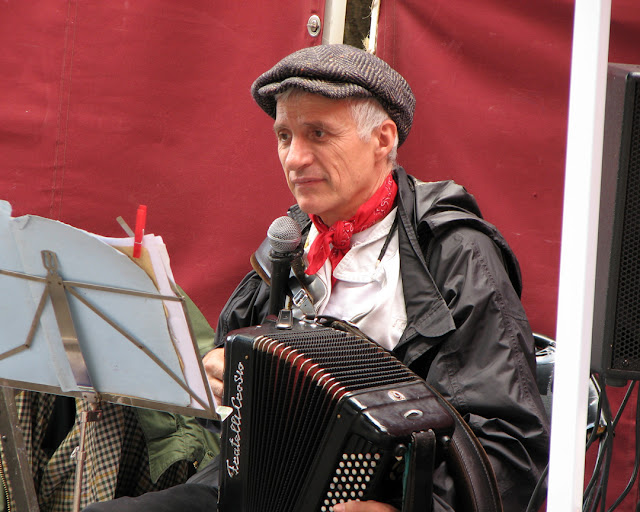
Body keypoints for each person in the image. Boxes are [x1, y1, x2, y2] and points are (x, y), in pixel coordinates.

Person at [85, 43, 549, 512]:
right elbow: (227, 390)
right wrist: (219, 377)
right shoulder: (285, 245)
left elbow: (509, 442)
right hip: (253, 489)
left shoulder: (454, 252)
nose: (294, 158)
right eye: (284, 136)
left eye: (319, 133)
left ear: (383, 140)